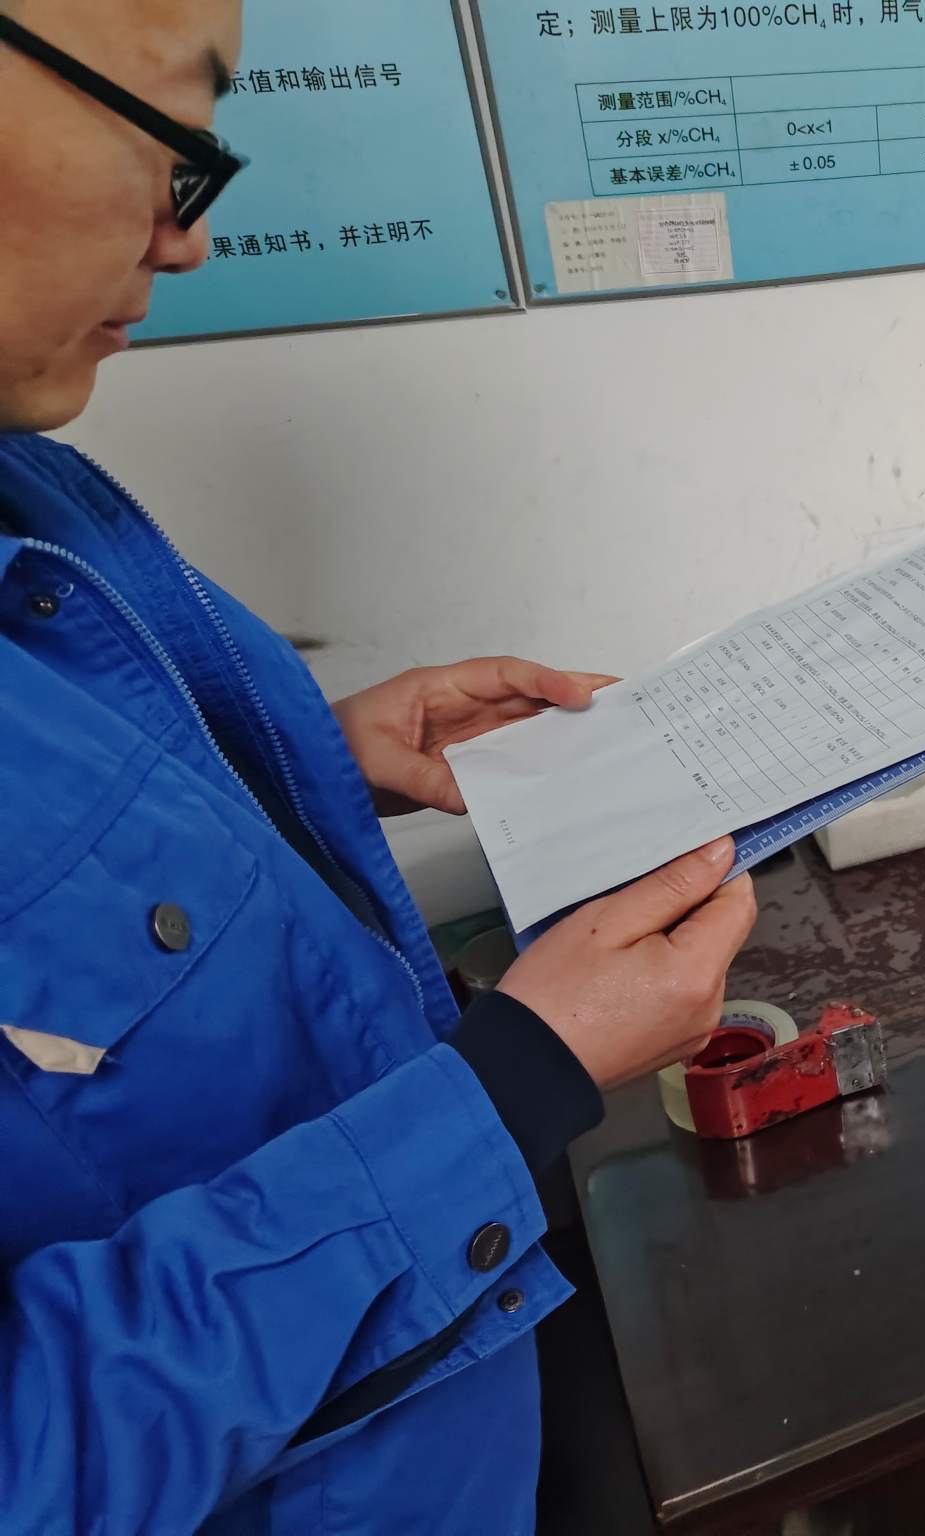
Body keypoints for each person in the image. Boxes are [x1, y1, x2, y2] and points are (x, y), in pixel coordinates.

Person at [0, 1, 757, 1530]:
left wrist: (307, 767)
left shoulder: (29, 486)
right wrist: (519, 1080)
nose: (187, 239)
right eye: (171, 138)